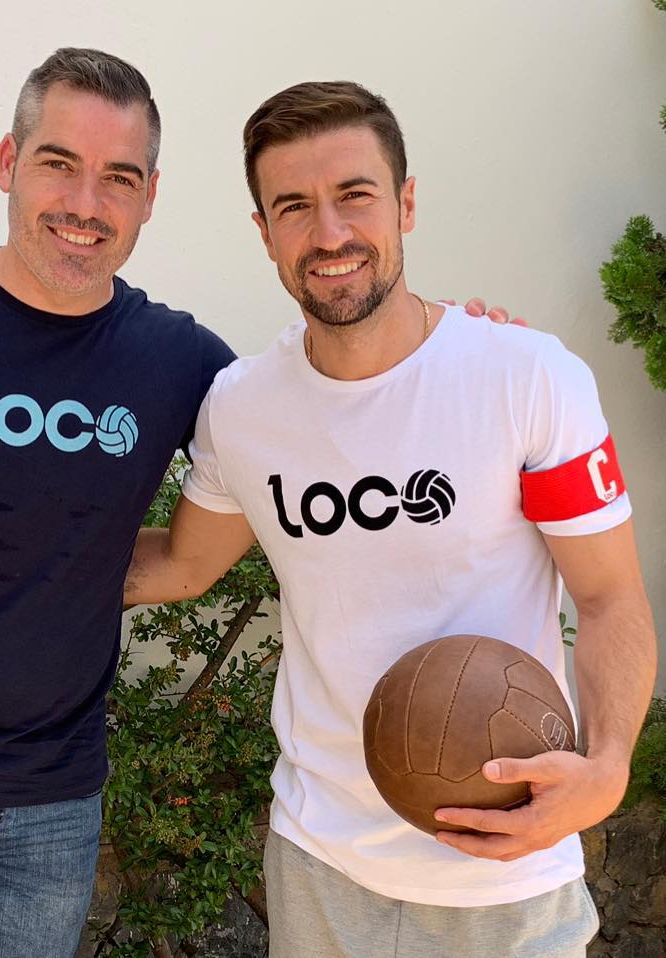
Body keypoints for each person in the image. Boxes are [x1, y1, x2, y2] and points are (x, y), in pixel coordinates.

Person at [0, 49, 511, 957]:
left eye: (118, 178)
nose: (85, 205)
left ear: (149, 195)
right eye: (58, 164)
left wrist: (457, 348)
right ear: (9, 164)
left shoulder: (183, 364)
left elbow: (336, 414)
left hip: (50, 810)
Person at [123, 80, 657, 958]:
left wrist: (603, 774)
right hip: (322, 863)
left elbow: (607, 598)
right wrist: (4, 564)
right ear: (263, 232)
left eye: (354, 196)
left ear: (405, 202)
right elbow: (181, 565)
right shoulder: (241, 409)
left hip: (506, 867)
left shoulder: (523, 378)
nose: (328, 234)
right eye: (292, 206)